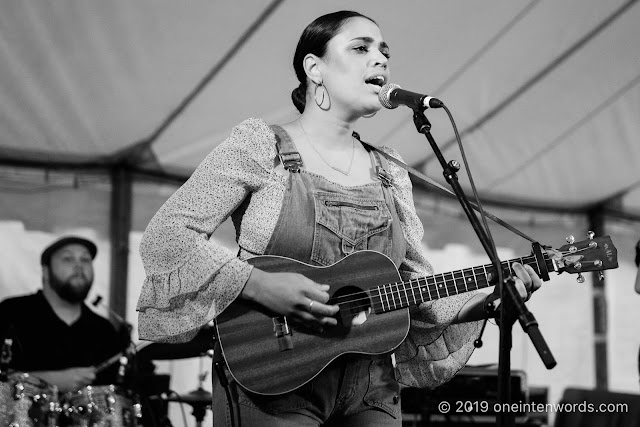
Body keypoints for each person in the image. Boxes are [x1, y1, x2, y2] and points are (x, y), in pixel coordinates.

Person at [136, 10, 542, 426]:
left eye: (384, 51)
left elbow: (412, 289)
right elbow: (167, 236)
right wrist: (260, 285)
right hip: (273, 379)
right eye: (361, 48)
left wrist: (487, 299)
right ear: (315, 68)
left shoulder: (390, 169)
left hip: (372, 382)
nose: (381, 59)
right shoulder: (261, 145)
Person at [0, 236, 125, 393]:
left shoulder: (103, 330)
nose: (79, 266)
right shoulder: (12, 312)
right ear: (46, 272)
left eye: (85, 259)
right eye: (68, 259)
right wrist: (47, 381)